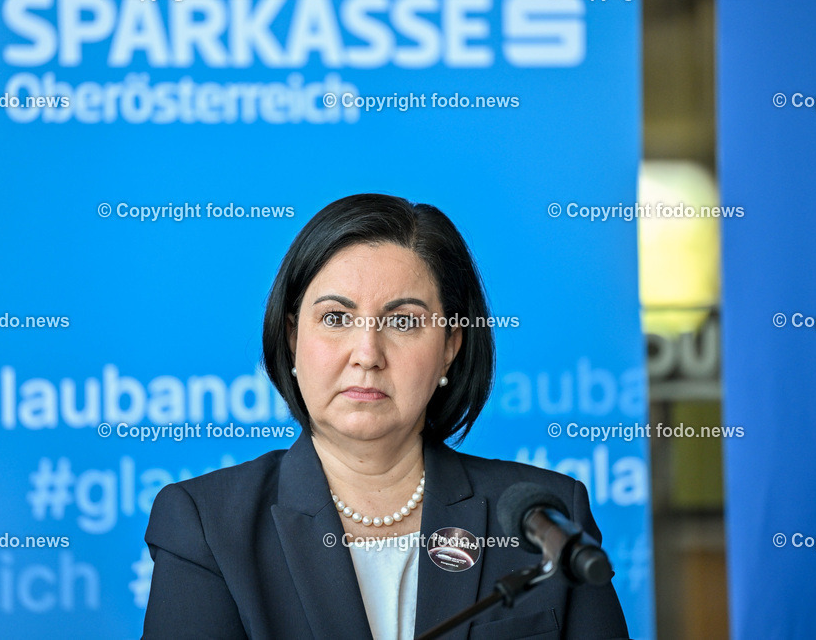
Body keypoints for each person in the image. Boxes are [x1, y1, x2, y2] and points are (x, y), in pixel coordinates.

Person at [143, 194, 629, 639]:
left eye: (403, 322)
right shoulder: (206, 526)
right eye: (336, 318)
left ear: (449, 349)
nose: (367, 353)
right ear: (293, 338)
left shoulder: (543, 519)